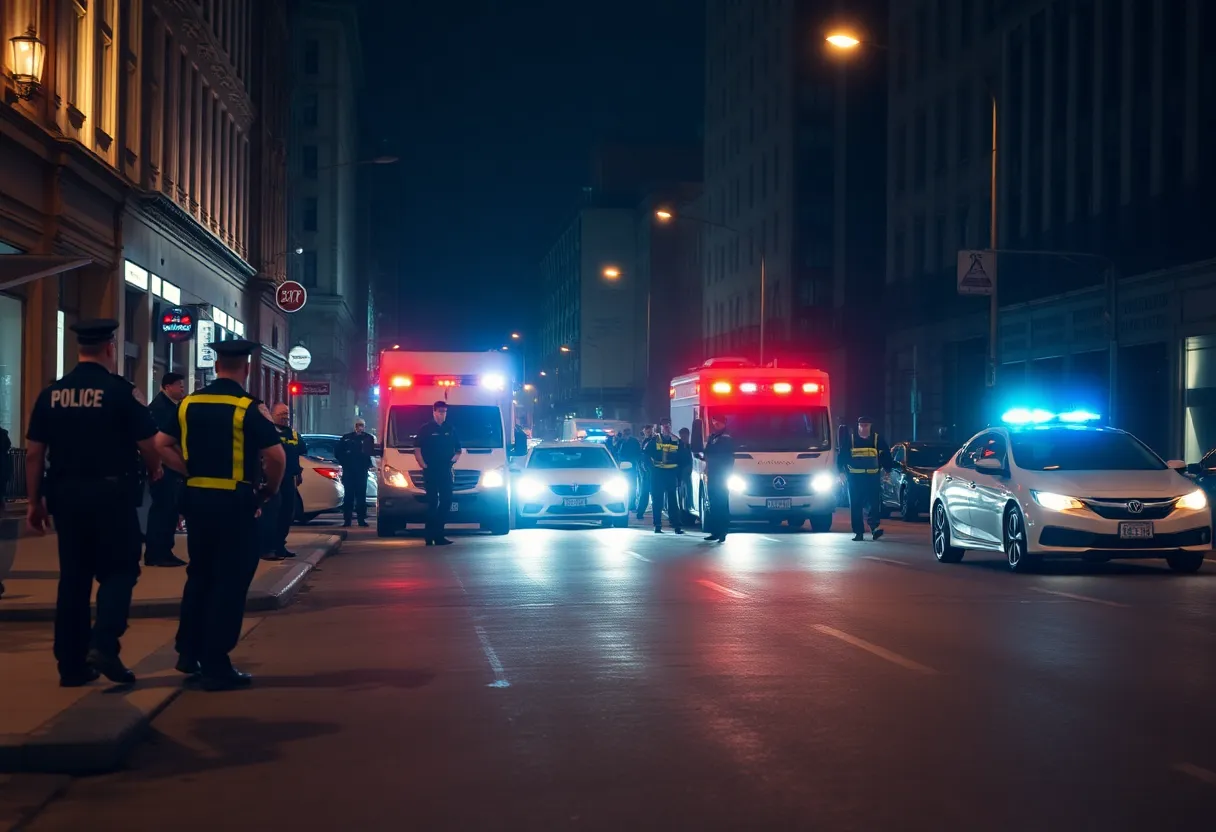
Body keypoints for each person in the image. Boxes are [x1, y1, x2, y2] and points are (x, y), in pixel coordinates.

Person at [24, 320, 163, 687]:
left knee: (73, 578)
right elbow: (149, 445)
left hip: (65, 497)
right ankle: (103, 642)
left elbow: (35, 454)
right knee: (121, 569)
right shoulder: (120, 393)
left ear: (79, 349)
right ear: (110, 348)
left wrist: (34, 501)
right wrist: (154, 472)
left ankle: (70, 666)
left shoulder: (52, 393)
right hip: (111, 496)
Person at [156, 340, 285, 691]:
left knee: (200, 575)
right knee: (230, 581)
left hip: (196, 500)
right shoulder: (247, 408)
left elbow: (160, 445)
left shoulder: (188, 404)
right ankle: (216, 662)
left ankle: (188, 651)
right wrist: (268, 491)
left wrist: (189, 471)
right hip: (234, 503)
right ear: (245, 368)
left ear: (215, 367)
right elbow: (276, 457)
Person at [144, 372, 187, 567]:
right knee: (163, 508)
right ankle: (158, 552)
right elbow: (164, 440)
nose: (183, 389)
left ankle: (162, 550)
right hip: (163, 466)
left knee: (169, 508)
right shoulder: (161, 408)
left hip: (168, 466)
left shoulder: (171, 406)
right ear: (167, 386)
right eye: (180, 385)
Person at [413, 400, 461, 546]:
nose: (442, 414)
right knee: (432, 502)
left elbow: (458, 449)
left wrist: (453, 461)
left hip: (445, 470)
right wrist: (423, 464)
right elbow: (417, 449)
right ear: (434, 412)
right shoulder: (426, 429)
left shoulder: (450, 429)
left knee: (446, 500)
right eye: (440, 412)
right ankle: (429, 535)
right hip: (431, 470)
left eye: (445, 412)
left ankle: (438, 533)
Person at [840, 416, 893, 542]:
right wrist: (840, 472)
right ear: (858, 426)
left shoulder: (877, 439)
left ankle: (874, 528)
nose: (864, 428)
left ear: (870, 426)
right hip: (855, 479)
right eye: (861, 425)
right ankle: (858, 532)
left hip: (872, 477)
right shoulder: (851, 439)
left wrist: (888, 470)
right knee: (856, 505)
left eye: (866, 425)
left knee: (874, 504)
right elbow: (842, 456)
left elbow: (886, 454)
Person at [270, 403, 307, 558]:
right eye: (281, 414)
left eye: (286, 414)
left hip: (289, 478)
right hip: (272, 478)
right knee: (273, 514)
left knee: (287, 513)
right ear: (273, 415)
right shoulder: (268, 432)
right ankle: (269, 547)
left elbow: (299, 453)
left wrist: (298, 473)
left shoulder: (293, 434)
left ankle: (280, 546)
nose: (285, 417)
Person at [647, 418, 687, 534]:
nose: (666, 428)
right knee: (657, 500)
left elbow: (682, 458)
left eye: (668, 425)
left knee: (673, 502)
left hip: (671, 474)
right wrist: (650, 470)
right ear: (661, 427)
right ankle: (658, 525)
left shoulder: (676, 440)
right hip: (658, 474)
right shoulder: (654, 440)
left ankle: (676, 526)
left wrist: (680, 474)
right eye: (664, 426)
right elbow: (645, 456)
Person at [702, 414, 735, 542]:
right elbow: (707, 452)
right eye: (714, 423)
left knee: (721, 503)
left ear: (724, 423)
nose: (715, 425)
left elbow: (719, 453)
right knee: (713, 503)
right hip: (713, 473)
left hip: (722, 474)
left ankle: (723, 531)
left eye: (718, 423)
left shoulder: (727, 437)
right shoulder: (713, 437)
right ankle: (714, 531)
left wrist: (709, 453)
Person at [336, 418, 374, 527]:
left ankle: (361, 519)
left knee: (361, 496)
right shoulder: (347, 438)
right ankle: (347, 520)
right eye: (358, 425)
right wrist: (344, 462)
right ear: (354, 426)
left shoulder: (368, 438)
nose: (359, 427)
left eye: (361, 425)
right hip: (349, 471)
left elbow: (370, 452)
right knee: (348, 496)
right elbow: (338, 452)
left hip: (361, 472)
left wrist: (367, 465)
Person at [635, 424, 655, 520]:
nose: (649, 432)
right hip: (646, 472)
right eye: (647, 431)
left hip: (652, 471)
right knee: (645, 493)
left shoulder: (653, 441)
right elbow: (642, 457)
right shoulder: (644, 442)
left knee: (652, 493)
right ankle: (640, 512)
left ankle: (654, 513)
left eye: (650, 431)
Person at [677, 426, 694, 523]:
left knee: (688, 495)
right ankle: (683, 516)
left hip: (688, 474)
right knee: (682, 495)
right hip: (681, 474)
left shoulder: (690, 447)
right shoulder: (679, 447)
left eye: (685, 436)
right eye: (682, 436)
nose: (684, 438)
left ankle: (688, 516)